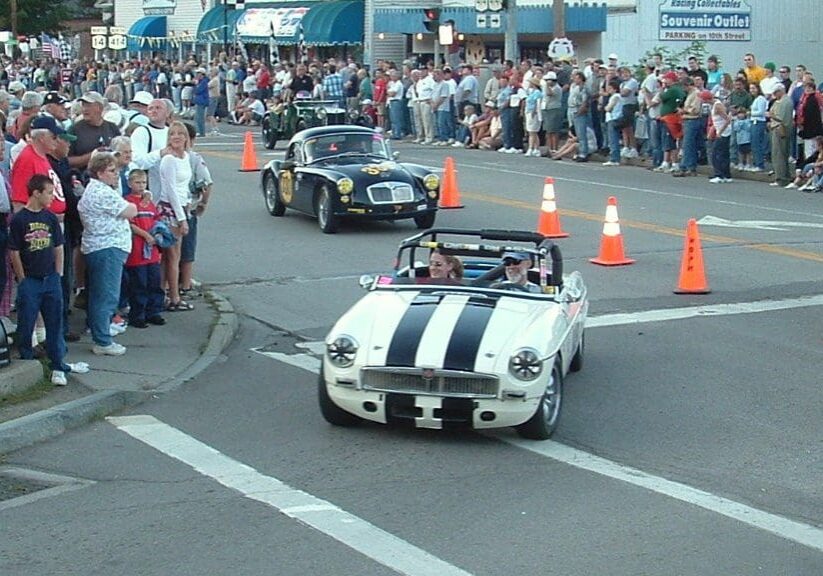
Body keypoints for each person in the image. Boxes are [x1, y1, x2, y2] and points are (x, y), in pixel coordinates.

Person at [8, 174, 88, 385]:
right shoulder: (19, 219)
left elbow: (58, 246)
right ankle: (27, 364)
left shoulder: (50, 218)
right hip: (31, 280)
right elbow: (14, 251)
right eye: (49, 192)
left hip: (50, 278)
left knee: (55, 323)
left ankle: (58, 364)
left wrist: (58, 273)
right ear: (36, 193)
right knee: (26, 323)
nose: (53, 197)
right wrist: (22, 278)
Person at [78, 151, 137, 356]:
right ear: (100, 173)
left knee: (102, 294)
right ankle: (102, 340)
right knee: (106, 296)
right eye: (112, 170)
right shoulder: (101, 192)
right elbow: (130, 211)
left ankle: (101, 332)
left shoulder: (99, 189)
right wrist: (132, 204)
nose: (116, 174)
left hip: (105, 248)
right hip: (106, 248)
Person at [123, 169, 165, 328]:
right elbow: (130, 224)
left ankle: (153, 311)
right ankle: (138, 314)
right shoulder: (128, 202)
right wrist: (146, 235)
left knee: (154, 282)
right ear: (130, 184)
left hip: (152, 250)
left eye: (143, 183)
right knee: (139, 284)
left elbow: (156, 220)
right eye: (137, 182)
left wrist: (158, 236)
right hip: (137, 251)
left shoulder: (149, 203)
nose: (141, 186)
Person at [158, 121, 192, 312]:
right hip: (170, 210)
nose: (177, 137)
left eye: (180, 133)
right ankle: (174, 297)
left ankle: (163, 293)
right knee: (172, 256)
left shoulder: (185, 157)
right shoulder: (168, 160)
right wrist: (181, 218)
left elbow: (183, 186)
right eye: (172, 134)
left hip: (183, 206)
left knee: (172, 256)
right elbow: (170, 190)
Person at [179, 122, 212, 300]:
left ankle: (171, 284)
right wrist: (203, 204)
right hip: (188, 207)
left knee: (171, 250)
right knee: (187, 249)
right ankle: (185, 284)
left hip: (167, 208)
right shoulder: (194, 158)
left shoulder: (165, 156)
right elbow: (206, 183)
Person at [708, 97, 733, 183]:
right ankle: (726, 175)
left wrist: (720, 132)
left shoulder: (717, 106)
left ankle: (719, 174)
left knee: (716, 154)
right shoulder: (716, 104)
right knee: (724, 153)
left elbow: (727, 119)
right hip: (722, 131)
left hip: (723, 132)